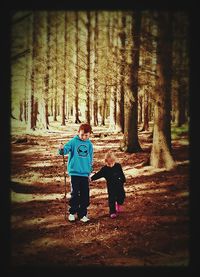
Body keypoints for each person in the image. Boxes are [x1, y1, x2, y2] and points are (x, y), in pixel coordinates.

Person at [58, 123, 93, 223]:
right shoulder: (73, 142)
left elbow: (90, 159)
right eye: (82, 134)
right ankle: (72, 213)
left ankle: (82, 214)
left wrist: (90, 172)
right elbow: (64, 150)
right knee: (75, 194)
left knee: (85, 195)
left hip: (84, 174)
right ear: (78, 132)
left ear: (89, 134)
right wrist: (61, 149)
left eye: (86, 135)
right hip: (74, 173)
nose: (84, 137)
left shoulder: (89, 144)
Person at [91, 151, 126, 218]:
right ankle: (112, 212)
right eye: (108, 162)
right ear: (106, 161)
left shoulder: (118, 166)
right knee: (112, 199)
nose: (110, 164)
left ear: (114, 160)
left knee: (122, 196)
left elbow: (121, 174)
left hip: (119, 185)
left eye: (112, 162)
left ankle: (118, 204)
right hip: (111, 187)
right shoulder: (105, 169)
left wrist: (123, 180)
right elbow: (98, 174)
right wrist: (91, 178)